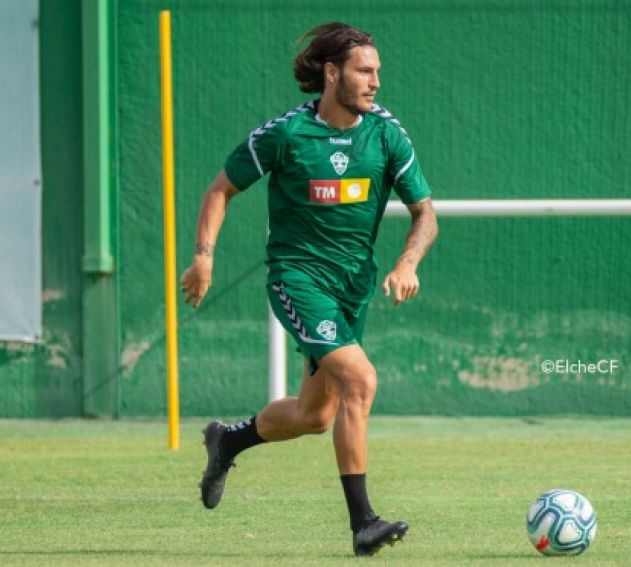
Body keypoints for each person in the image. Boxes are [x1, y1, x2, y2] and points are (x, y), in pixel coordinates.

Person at [180, 22, 438, 556]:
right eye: (365, 71)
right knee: (361, 381)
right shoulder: (285, 135)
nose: (375, 82)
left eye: (377, 72)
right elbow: (219, 191)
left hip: (352, 290)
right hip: (298, 280)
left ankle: (228, 440)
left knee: (314, 416)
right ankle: (363, 523)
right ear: (331, 73)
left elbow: (425, 215)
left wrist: (408, 262)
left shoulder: (387, 134)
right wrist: (203, 259)